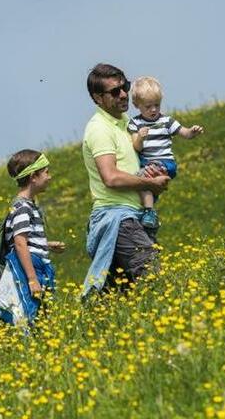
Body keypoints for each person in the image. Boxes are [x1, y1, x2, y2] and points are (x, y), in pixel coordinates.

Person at [81, 63, 170, 298]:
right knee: (153, 276)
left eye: (125, 87)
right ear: (97, 98)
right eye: (114, 92)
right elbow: (110, 177)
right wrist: (150, 184)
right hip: (117, 219)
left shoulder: (126, 122)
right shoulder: (99, 129)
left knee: (121, 294)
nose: (123, 95)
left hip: (132, 215)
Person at [0, 150, 66, 326]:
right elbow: (19, 243)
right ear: (34, 176)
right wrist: (32, 278)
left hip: (37, 262)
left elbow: (25, 240)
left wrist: (46, 245)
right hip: (31, 266)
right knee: (30, 313)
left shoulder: (28, 205)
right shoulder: (22, 207)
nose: (50, 177)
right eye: (46, 172)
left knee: (44, 314)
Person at [128, 76, 204, 229]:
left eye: (157, 105)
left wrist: (192, 132)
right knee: (142, 182)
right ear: (137, 105)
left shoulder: (167, 121)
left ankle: (149, 212)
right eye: (148, 106)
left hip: (165, 162)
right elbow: (137, 147)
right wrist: (140, 138)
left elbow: (184, 133)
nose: (154, 110)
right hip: (147, 162)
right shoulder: (135, 123)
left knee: (141, 179)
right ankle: (148, 213)